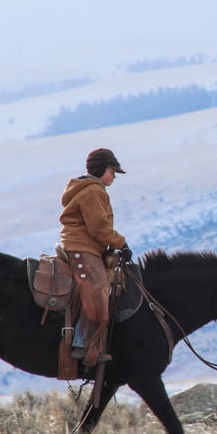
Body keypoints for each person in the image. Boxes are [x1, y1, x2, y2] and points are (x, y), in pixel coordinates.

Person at [59, 148, 132, 369]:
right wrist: (122, 243)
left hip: (84, 246)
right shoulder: (93, 191)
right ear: (102, 169)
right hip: (83, 248)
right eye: (112, 171)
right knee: (98, 289)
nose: (114, 177)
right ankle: (85, 346)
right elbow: (99, 228)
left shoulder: (89, 188)